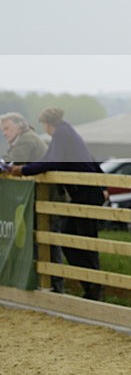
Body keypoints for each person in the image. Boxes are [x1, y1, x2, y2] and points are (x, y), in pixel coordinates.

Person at [8, 107, 106, 300]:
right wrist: (25, 168)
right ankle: (92, 286)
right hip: (85, 192)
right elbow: (56, 158)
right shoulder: (66, 132)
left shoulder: (62, 134)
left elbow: (52, 161)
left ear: (46, 124)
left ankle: (94, 287)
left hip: (85, 193)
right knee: (74, 238)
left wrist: (24, 171)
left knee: (82, 240)